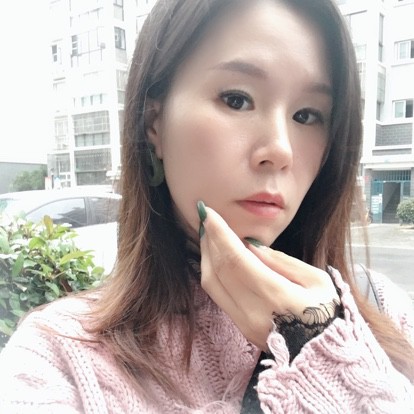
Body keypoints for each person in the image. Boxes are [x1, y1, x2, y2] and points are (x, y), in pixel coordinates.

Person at [1, 0, 413, 412]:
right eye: (237, 99)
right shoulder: (57, 361)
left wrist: (322, 346)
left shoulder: (385, 312)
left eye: (306, 115)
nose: (280, 150)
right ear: (154, 123)